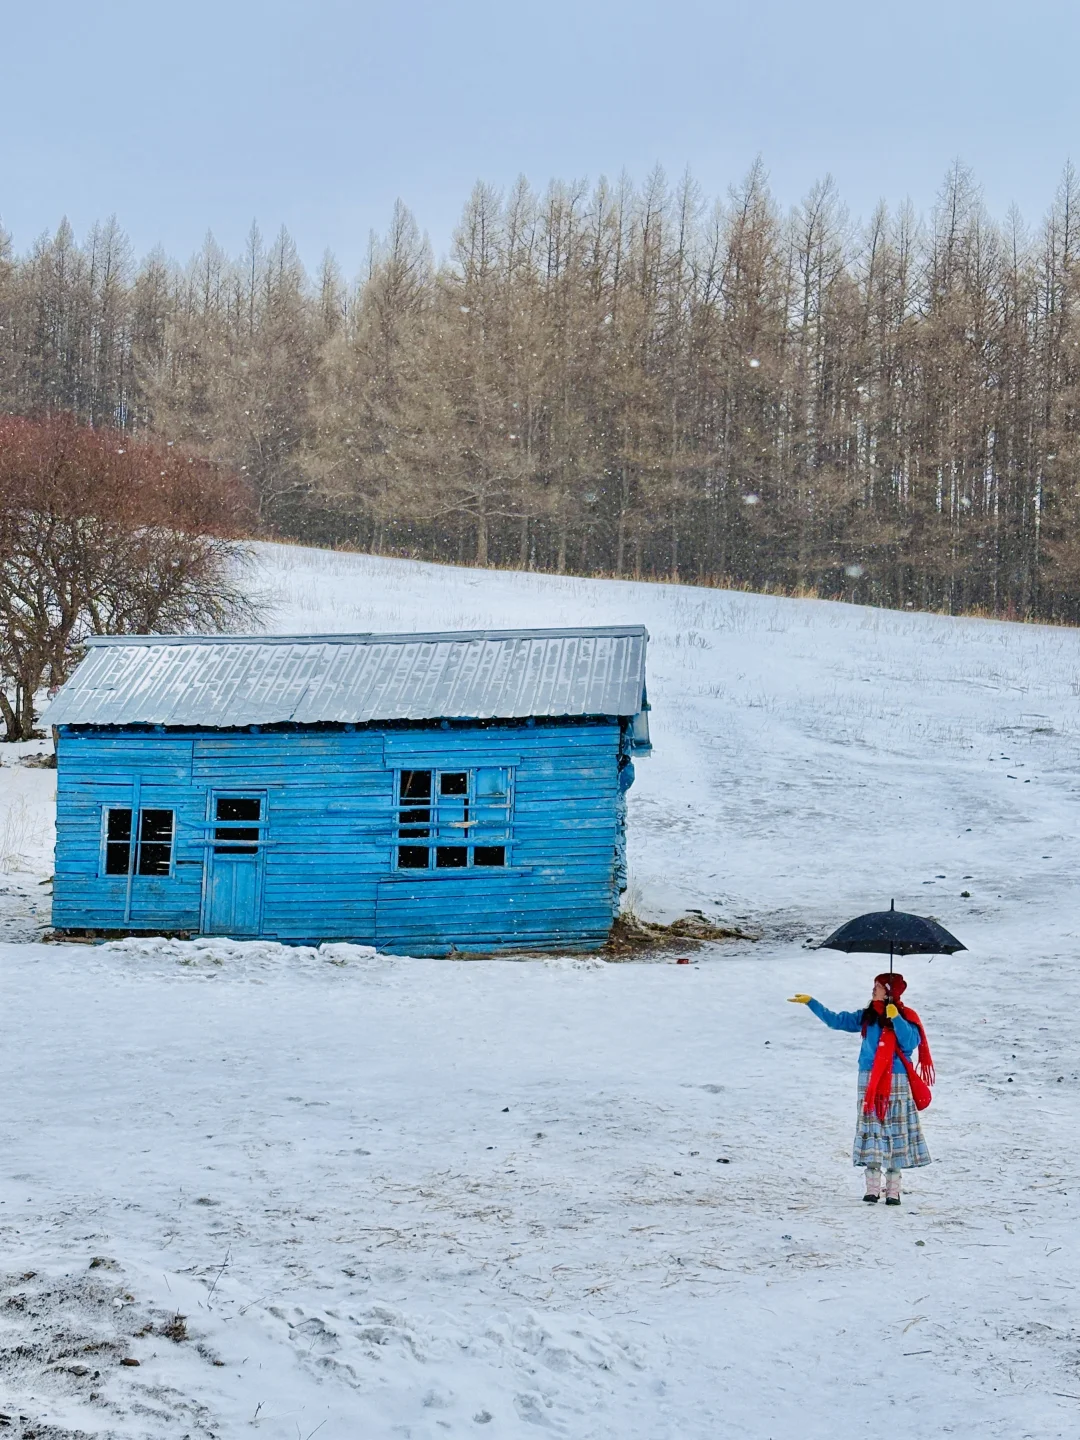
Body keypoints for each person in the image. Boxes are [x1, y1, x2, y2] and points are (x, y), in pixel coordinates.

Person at [788, 973, 934, 1205]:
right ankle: (872, 1189)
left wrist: (896, 1019)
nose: (873, 989)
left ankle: (893, 1190)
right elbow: (837, 1021)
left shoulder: (907, 1016)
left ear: (889, 991)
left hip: (896, 1078)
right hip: (869, 1077)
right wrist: (811, 1003)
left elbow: (910, 1043)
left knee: (896, 1129)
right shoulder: (868, 1016)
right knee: (872, 1126)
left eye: (878, 986)